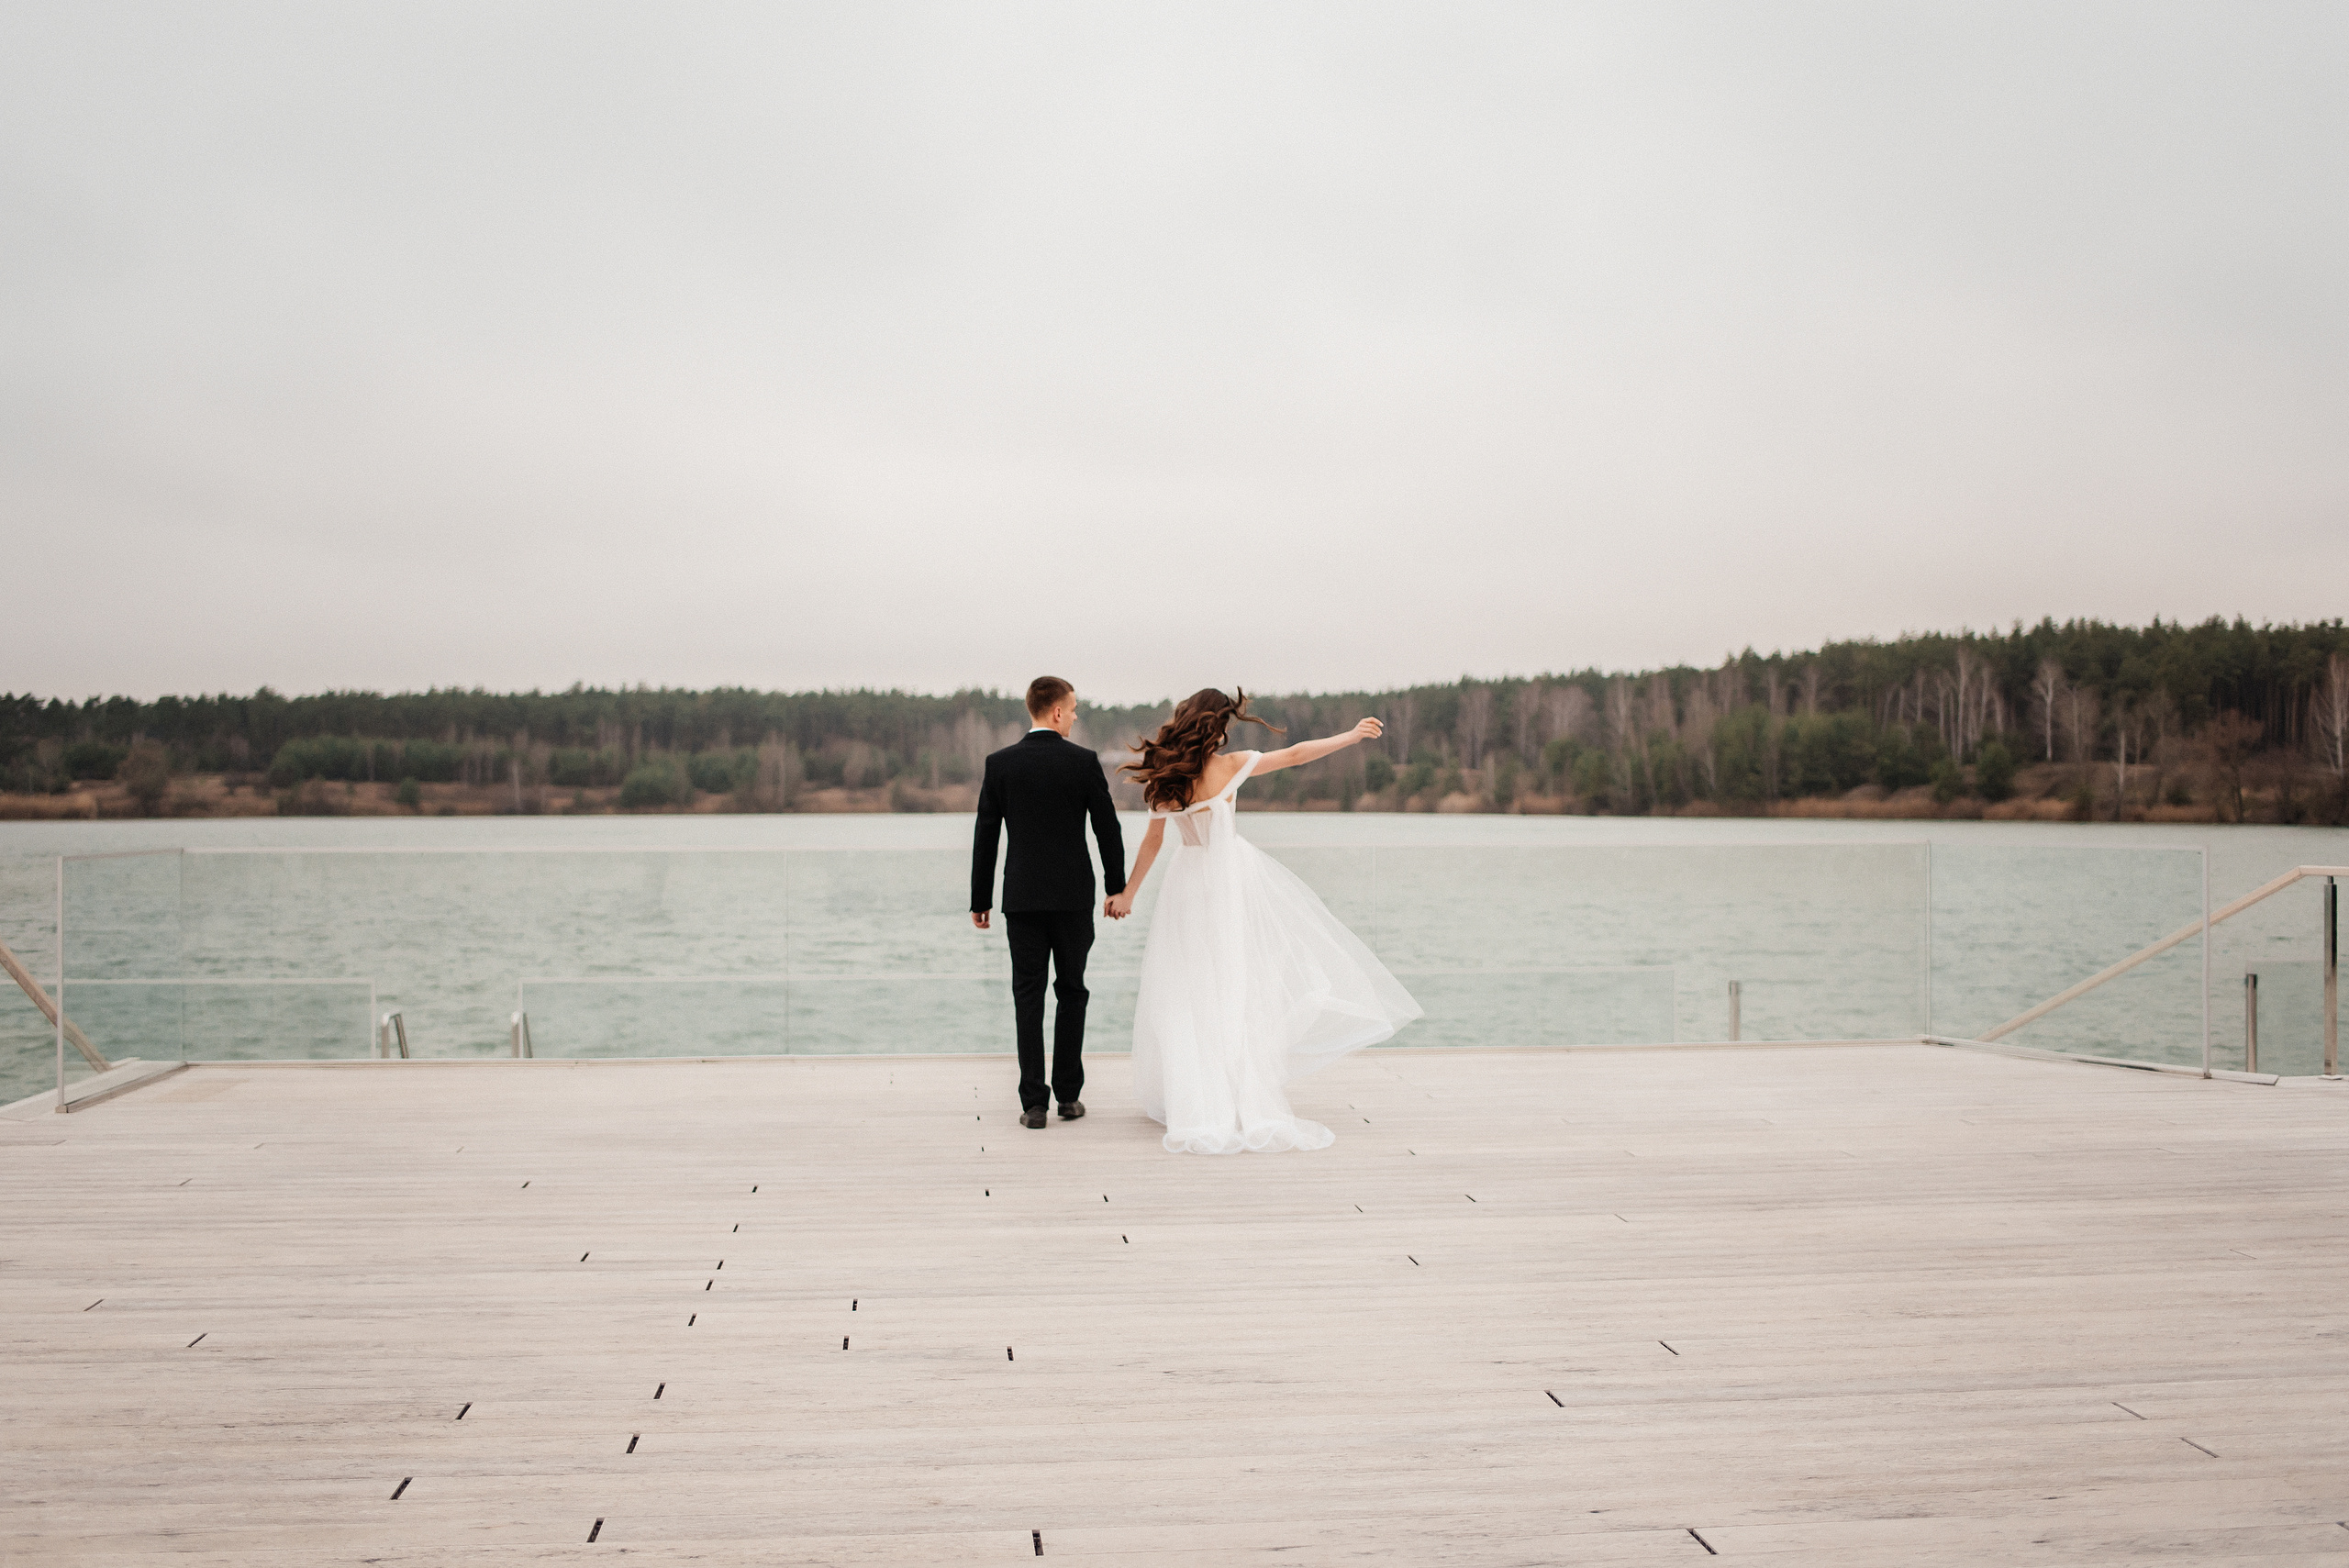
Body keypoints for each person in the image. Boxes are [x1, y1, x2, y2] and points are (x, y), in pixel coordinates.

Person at [1110, 688, 1420, 1153]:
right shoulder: (1229, 766)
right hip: (1227, 882)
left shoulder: (1164, 775)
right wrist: (1351, 736)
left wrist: (1129, 892)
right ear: (1218, 725)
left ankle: (1195, 1097)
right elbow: (1295, 755)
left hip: (1186, 883)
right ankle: (1236, 1094)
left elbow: (1153, 841)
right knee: (1236, 986)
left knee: (1189, 989)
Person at [970, 676, 1128, 1129]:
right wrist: (1115, 887)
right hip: (1074, 898)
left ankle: (1033, 1104)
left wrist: (980, 898)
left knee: (1028, 997)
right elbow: (1107, 829)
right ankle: (1069, 1096)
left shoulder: (1000, 764)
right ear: (1056, 712)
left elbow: (986, 836)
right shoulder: (1083, 762)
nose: (1076, 716)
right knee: (1072, 990)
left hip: (1020, 899)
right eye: (1074, 708)